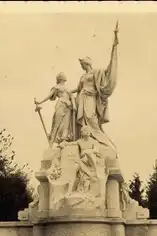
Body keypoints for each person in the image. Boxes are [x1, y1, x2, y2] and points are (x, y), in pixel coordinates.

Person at [70, 21, 119, 153]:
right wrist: (67, 92)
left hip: (91, 98)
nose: (81, 66)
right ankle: (86, 142)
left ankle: (103, 142)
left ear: (87, 64)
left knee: (92, 119)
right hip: (82, 98)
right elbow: (78, 89)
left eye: (82, 64)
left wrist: (114, 50)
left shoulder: (97, 72)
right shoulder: (82, 77)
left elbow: (109, 70)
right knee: (82, 123)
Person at [34, 72, 75, 147]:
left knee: (66, 125)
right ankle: (51, 142)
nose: (65, 76)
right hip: (61, 105)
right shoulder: (56, 87)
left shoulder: (67, 88)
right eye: (63, 75)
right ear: (61, 78)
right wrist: (40, 101)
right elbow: (49, 96)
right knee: (56, 124)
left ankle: (63, 140)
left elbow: (74, 92)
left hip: (68, 107)